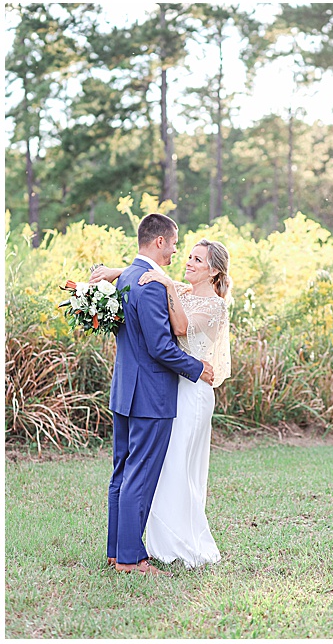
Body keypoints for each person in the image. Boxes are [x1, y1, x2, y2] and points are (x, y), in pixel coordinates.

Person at [93, 239, 232, 569]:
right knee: (164, 466)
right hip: (170, 387)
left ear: (213, 270)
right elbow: (151, 280)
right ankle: (158, 539)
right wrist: (118, 272)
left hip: (194, 390)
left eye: (198, 260)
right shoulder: (184, 290)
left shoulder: (214, 304)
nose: (189, 262)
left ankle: (183, 538)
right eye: (189, 256)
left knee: (182, 466)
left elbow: (181, 328)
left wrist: (165, 280)